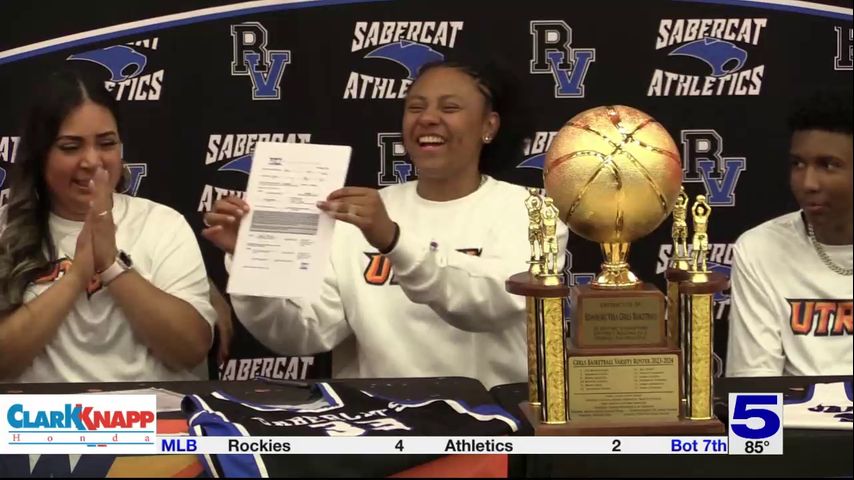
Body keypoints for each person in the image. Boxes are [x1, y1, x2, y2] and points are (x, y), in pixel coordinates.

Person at [202, 60, 569, 388]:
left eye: (450, 107)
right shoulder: (358, 216)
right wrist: (253, 259)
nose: (427, 118)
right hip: (380, 432)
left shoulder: (533, 210)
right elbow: (305, 333)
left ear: (488, 126)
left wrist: (393, 240)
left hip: (490, 431)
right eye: (415, 107)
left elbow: (492, 302)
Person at [0, 69, 216, 382]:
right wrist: (76, 277)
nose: (92, 161)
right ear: (40, 154)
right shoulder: (7, 228)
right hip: (41, 425)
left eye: (106, 143)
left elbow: (191, 349)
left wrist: (112, 266)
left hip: (145, 422)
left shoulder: (163, 225)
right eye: (71, 147)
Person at [727, 90, 853, 377]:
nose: (808, 183)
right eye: (798, 164)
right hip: (795, 422)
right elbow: (753, 385)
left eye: (828, 165)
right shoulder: (760, 249)